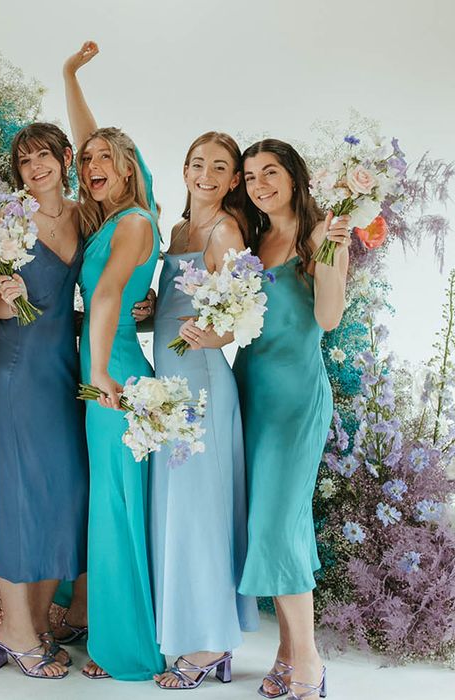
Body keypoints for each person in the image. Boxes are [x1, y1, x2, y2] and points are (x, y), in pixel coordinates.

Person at [233, 139, 350, 700]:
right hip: (250, 391)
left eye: (270, 172)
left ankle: (309, 660)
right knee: (275, 523)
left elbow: (327, 318)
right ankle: (285, 652)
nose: (260, 183)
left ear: (294, 176)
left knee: (277, 526)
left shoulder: (321, 236)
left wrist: (329, 255)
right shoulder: (253, 239)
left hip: (296, 398)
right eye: (251, 175)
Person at [63, 41, 164, 681]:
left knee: (119, 510)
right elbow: (85, 143)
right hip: (103, 373)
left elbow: (103, 298)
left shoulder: (131, 222)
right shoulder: (110, 217)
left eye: (108, 158)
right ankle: (109, 626)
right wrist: (69, 75)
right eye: (89, 160)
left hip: (117, 381)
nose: (95, 163)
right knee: (109, 505)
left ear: (129, 170)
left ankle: (123, 646)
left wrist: (100, 374)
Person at [149, 132, 260, 689]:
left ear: (235, 179)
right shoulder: (176, 231)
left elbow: (240, 316)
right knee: (179, 510)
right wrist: (151, 309)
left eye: (221, 167)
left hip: (202, 387)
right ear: (185, 168)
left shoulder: (226, 231)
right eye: (198, 164)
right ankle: (190, 629)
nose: (207, 174)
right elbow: (172, 307)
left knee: (201, 510)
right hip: (168, 382)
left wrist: (210, 335)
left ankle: (211, 642)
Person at [0, 122, 88, 679]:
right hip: (16, 369)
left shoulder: (83, 215)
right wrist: (4, 297)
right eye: (24, 162)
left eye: (43, 156)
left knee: (64, 491)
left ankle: (39, 619)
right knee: (20, 493)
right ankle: (13, 628)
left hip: (63, 368)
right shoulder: (8, 220)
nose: (35, 168)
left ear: (65, 158)